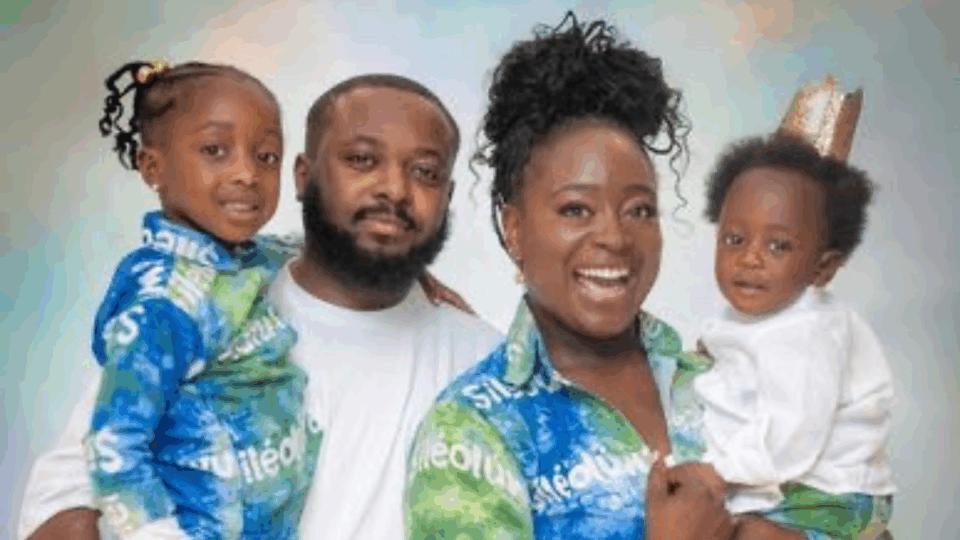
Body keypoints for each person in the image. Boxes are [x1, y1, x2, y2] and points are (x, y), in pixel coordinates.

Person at [404, 13, 892, 539]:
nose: (615, 237)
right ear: (515, 227)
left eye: (639, 210)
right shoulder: (475, 431)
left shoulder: (720, 382)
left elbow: (860, 519)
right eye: (575, 210)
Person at [17, 73, 501, 540]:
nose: (395, 188)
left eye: (425, 172)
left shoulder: (488, 365)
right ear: (304, 177)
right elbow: (67, 492)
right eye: (361, 159)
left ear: (448, 197)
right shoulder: (208, 304)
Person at [87, 59, 321, 539]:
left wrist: (418, 277)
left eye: (266, 156)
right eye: (215, 150)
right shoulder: (164, 303)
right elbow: (114, 446)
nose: (246, 174)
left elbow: (328, 254)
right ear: (153, 166)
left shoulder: (251, 259)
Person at [692, 77, 894, 530]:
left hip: (833, 497)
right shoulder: (747, 322)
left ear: (822, 268)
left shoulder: (808, 336)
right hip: (784, 479)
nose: (750, 258)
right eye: (735, 239)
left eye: (779, 246)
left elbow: (791, 439)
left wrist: (714, 472)